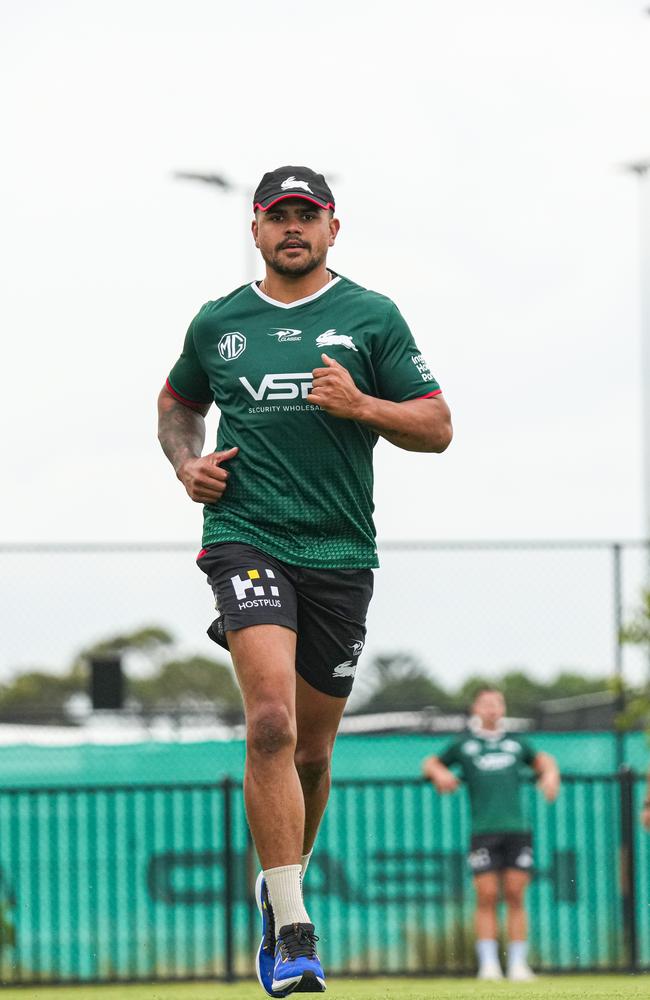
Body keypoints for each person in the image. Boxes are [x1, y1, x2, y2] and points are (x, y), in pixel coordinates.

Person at [157, 165, 453, 995]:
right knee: (272, 723)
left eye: (307, 215)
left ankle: (276, 880)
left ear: (332, 228)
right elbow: (175, 403)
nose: (293, 227)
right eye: (277, 215)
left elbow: (436, 426)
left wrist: (362, 407)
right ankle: (293, 928)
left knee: (315, 753)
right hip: (245, 537)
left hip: (340, 552)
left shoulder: (371, 317)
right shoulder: (220, 321)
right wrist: (188, 466)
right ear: (254, 229)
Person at [422, 687, 560, 981]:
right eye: (486, 704)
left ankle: (518, 964)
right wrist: (440, 773)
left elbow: (544, 761)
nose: (492, 709)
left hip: (517, 830)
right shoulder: (465, 744)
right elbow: (430, 763)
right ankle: (488, 965)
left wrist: (550, 775)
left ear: (503, 708)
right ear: (476, 708)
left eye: (497, 703)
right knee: (486, 896)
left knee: (515, 894)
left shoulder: (516, 743)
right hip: (483, 831)